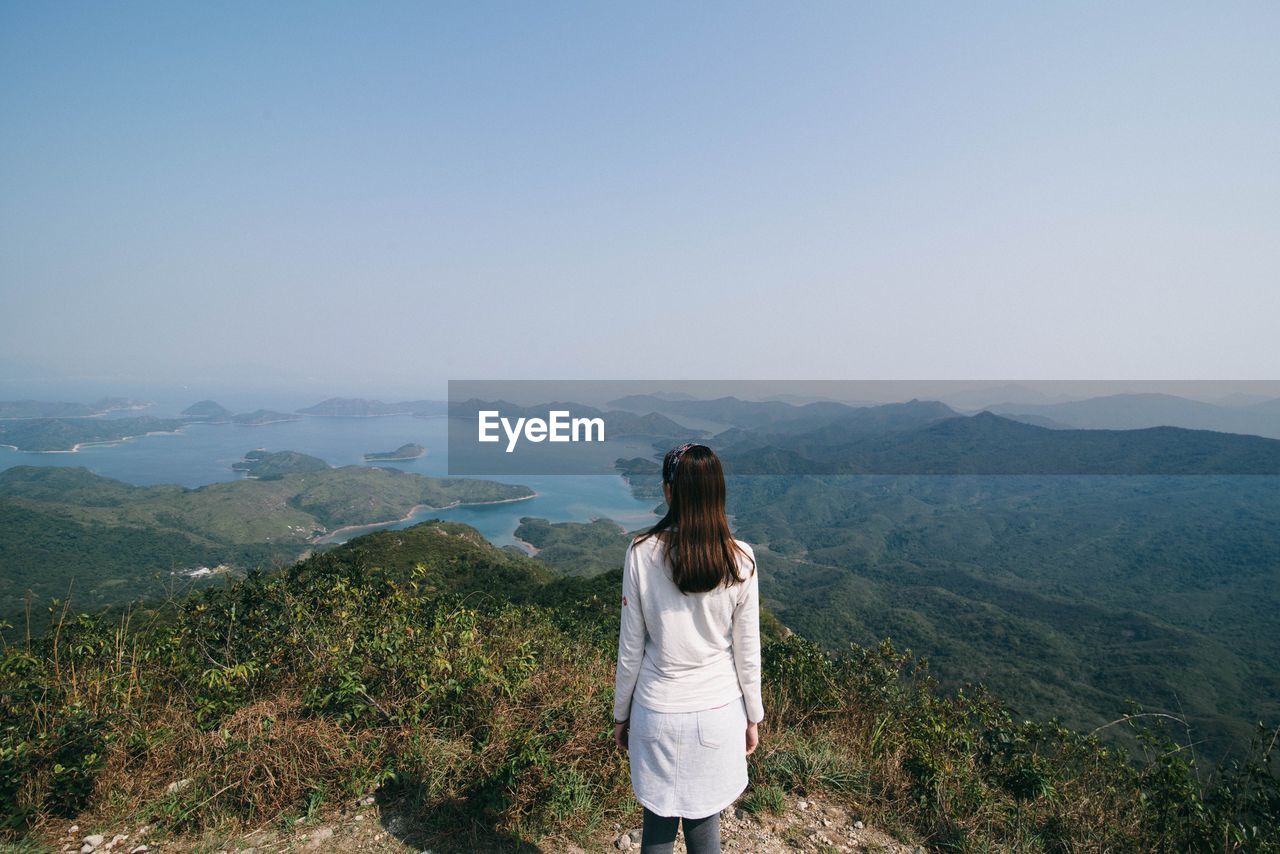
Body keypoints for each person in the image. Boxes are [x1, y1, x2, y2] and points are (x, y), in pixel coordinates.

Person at [612, 442, 763, 854]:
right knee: (704, 827)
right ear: (718, 492)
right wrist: (753, 716)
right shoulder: (740, 561)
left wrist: (621, 714)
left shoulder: (642, 553)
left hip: (656, 709)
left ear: (668, 491)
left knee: (657, 828)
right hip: (718, 713)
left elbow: (630, 649)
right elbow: (747, 654)